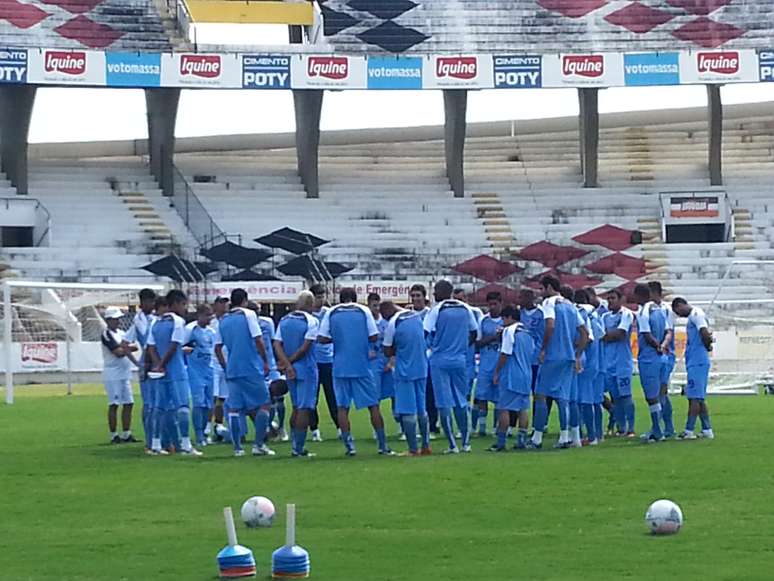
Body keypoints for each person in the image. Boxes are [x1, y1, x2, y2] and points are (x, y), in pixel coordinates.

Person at [318, 287, 393, 456]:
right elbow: (374, 336)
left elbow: (321, 338)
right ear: (355, 297)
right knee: (373, 405)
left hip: (340, 366)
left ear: (340, 298)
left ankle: (349, 446)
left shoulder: (331, 312)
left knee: (342, 407)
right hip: (361, 365)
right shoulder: (363, 310)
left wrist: (338, 338)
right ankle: (382, 445)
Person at [530, 276, 588, 449]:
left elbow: (550, 325)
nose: (540, 292)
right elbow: (584, 333)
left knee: (541, 395)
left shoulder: (549, 303)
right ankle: (564, 437)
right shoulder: (570, 305)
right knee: (563, 398)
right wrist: (577, 354)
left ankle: (537, 438)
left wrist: (543, 349)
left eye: (541, 288)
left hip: (553, 356)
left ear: (549, 287)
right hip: (568, 356)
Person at [214, 288, 274, 457]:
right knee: (264, 403)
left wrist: (225, 366)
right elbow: (258, 339)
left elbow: (217, 348)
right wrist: (265, 361)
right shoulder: (248, 315)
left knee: (234, 408)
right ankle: (258, 444)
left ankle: (238, 448)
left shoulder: (223, 320)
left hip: (233, 369)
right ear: (245, 301)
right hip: (250, 367)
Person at [424, 281, 480, 453]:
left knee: (443, 403)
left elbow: (425, 332)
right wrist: (463, 346)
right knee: (461, 401)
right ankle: (466, 442)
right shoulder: (465, 308)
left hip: (440, 360)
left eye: (435, 291)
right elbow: (474, 332)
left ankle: (452, 445)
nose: (433, 294)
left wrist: (432, 345)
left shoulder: (437, 309)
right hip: (460, 359)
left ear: (442, 292)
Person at [147, 290, 202, 456]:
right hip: (176, 370)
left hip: (161, 372)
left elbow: (151, 347)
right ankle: (185, 444)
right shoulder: (177, 321)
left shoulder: (156, 323)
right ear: (176, 304)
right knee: (183, 406)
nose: (185, 308)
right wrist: (163, 364)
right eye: (184, 304)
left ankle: (155, 445)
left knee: (159, 408)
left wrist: (158, 365)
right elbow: (173, 345)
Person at [381, 301, 431, 456]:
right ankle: (426, 445)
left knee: (408, 410)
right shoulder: (416, 317)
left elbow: (387, 350)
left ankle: (413, 449)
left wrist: (396, 348)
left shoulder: (394, 322)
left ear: (388, 310)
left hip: (405, 371)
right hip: (421, 368)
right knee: (422, 409)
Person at [273, 290, 319, 457]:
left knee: (295, 406)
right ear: (310, 304)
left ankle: (294, 443)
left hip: (289, 369)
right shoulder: (311, 321)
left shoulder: (285, 320)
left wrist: (285, 364)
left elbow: (277, 344)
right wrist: (291, 363)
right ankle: (298, 448)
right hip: (306, 368)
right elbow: (305, 347)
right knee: (304, 408)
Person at [491, 306, 534, 451]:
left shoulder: (510, 331)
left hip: (511, 375)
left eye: (503, 319)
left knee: (504, 408)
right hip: (526, 374)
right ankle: (522, 440)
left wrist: (497, 371)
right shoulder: (528, 333)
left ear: (509, 317)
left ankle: (501, 442)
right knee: (523, 408)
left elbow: (505, 353)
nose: (502, 322)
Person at [672, 297, 715, 440]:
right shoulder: (694, 316)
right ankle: (707, 429)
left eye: (678, 311)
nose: (679, 315)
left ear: (680, 305)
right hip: (695, 361)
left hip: (698, 361)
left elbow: (704, 332)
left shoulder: (696, 314)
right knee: (698, 397)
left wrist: (708, 345)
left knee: (694, 398)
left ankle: (689, 430)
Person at [122, 288, 156, 451]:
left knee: (159, 403)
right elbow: (124, 344)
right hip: (147, 363)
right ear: (142, 303)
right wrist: (137, 363)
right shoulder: (139, 320)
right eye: (149, 301)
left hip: (156, 362)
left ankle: (158, 438)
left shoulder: (154, 318)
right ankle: (150, 440)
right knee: (148, 404)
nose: (152, 304)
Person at [634, 284, 668, 442]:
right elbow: (668, 331)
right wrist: (663, 346)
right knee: (660, 394)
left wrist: (658, 346)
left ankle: (657, 431)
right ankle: (658, 429)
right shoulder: (660, 310)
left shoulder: (643, 311)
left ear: (640, 296)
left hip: (649, 358)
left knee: (651, 397)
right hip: (662, 358)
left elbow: (646, 334)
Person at [101, 306, 139, 444]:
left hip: (124, 372)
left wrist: (126, 348)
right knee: (114, 404)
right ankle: (113, 435)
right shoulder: (106, 334)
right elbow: (118, 352)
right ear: (108, 320)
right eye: (115, 319)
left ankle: (127, 433)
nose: (118, 321)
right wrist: (127, 348)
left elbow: (130, 346)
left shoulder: (122, 333)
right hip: (112, 373)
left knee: (129, 403)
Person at [601, 289, 635, 437]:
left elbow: (621, 334)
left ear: (621, 299)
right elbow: (601, 335)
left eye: (613, 298)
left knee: (626, 396)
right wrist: (607, 336)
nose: (610, 301)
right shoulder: (604, 316)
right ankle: (621, 428)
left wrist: (606, 335)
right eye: (608, 299)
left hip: (623, 362)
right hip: (608, 363)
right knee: (615, 398)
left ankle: (631, 428)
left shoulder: (626, 314)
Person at [184, 304, 216, 448]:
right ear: (200, 315)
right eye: (207, 315)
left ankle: (204, 432)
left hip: (209, 370)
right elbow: (181, 347)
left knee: (209, 404)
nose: (210, 318)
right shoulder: (190, 329)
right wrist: (187, 351)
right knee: (198, 403)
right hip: (195, 371)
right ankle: (198, 435)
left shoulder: (211, 332)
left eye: (211, 315)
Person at [574, 289, 603, 445]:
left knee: (583, 400)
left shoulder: (581, 313)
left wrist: (574, 346)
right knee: (591, 399)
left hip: (585, 361)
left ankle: (590, 437)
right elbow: (601, 335)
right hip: (595, 361)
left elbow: (589, 337)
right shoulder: (595, 313)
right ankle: (596, 434)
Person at [310, 283, 338, 441]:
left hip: (328, 360)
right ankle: (314, 430)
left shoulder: (329, 313)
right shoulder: (307, 315)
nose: (320, 300)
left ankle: (340, 428)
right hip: (313, 361)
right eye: (318, 297)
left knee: (332, 396)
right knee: (312, 398)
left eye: (322, 297)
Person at [473, 291, 504, 437]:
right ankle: (482, 427)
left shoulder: (506, 321)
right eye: (490, 304)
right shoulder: (483, 321)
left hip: (501, 365)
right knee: (482, 396)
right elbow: (477, 343)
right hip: (485, 364)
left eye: (495, 304)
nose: (492, 307)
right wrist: (493, 337)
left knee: (499, 398)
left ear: (500, 304)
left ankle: (496, 427)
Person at [649, 281, 676, 438]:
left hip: (666, 355)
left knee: (661, 392)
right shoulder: (652, 309)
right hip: (659, 355)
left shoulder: (666, 309)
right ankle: (664, 427)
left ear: (655, 293)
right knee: (660, 393)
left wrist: (662, 346)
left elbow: (669, 331)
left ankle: (664, 427)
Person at [410, 284, 437, 437]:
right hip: (412, 360)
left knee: (429, 394)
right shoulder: (407, 314)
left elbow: (435, 336)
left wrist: (430, 351)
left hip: (427, 359)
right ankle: (413, 426)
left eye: (418, 295)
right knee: (413, 394)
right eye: (413, 296)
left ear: (424, 297)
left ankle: (432, 426)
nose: (415, 299)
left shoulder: (430, 314)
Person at [367, 293, 396, 422]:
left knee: (395, 392)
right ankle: (376, 424)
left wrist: (391, 361)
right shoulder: (366, 323)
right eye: (374, 305)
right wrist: (366, 352)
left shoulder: (387, 322)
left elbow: (394, 341)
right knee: (375, 394)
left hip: (387, 359)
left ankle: (399, 422)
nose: (377, 308)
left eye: (378, 305)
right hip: (374, 362)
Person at [210, 296, 230, 441]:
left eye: (226, 303)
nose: (224, 306)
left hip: (227, 363)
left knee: (224, 397)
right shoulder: (210, 323)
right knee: (213, 396)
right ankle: (206, 427)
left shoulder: (229, 321)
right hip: (213, 364)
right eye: (221, 303)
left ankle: (219, 425)